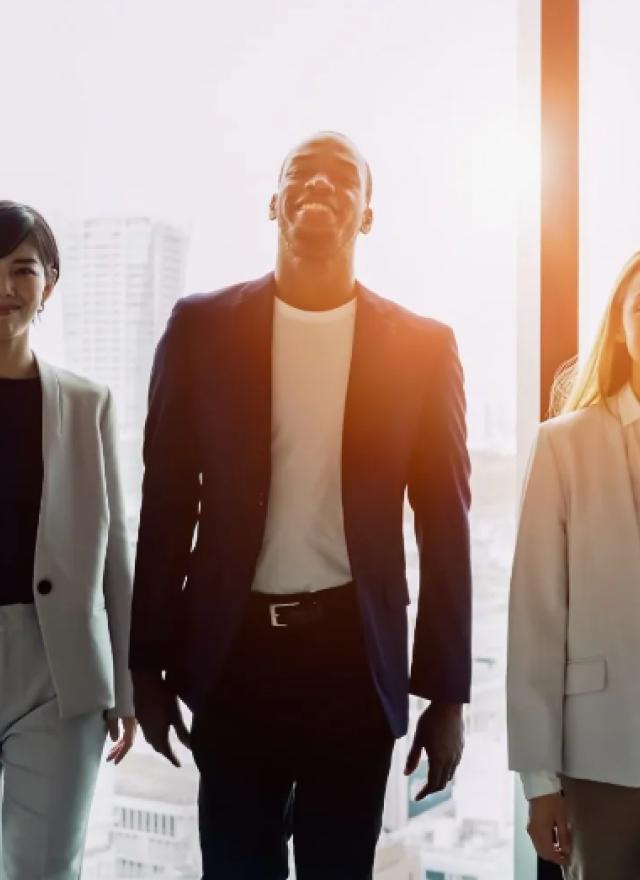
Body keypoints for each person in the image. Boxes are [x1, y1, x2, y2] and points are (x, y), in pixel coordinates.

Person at [130, 132, 472, 880]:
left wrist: (446, 696)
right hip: (232, 656)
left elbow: (446, 525)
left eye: (342, 177)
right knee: (235, 869)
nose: (319, 185)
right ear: (273, 203)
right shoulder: (200, 328)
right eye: (299, 175)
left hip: (352, 659)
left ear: (368, 214)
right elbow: (164, 508)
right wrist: (147, 665)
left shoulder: (422, 347)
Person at [0, 201, 136, 879]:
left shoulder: (88, 403)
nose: (5, 288)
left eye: (22, 270)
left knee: (47, 869)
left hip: (60, 669)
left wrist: (130, 685)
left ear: (49, 283)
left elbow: (115, 555)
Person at [507, 250, 640, 880]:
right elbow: (536, 620)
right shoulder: (563, 444)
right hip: (601, 759)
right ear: (619, 324)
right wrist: (539, 782)